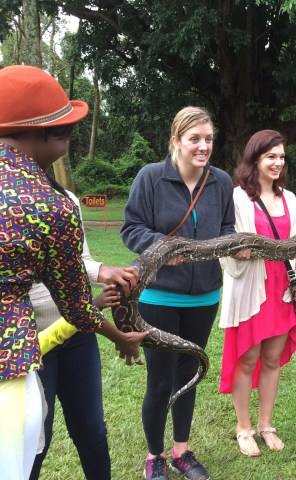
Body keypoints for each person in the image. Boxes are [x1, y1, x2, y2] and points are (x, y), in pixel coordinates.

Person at [0, 65, 142, 480]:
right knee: (22, 453)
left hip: (56, 343)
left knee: (82, 434)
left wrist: (99, 272)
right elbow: (78, 307)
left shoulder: (63, 200)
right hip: (17, 353)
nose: (69, 136)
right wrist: (121, 336)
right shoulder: (47, 205)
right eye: (65, 128)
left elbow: (72, 266)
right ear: (46, 133)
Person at [121, 106, 236, 480]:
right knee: (160, 378)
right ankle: (155, 456)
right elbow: (131, 228)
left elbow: (227, 227)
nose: (203, 147)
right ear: (176, 140)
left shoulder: (220, 181)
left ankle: (182, 451)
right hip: (160, 297)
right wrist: (161, 248)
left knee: (190, 372)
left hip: (205, 296)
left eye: (208, 139)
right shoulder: (151, 177)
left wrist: (235, 246)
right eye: (195, 139)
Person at [29, 188, 145, 480]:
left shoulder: (66, 199)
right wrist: (113, 331)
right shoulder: (10, 202)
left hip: (78, 333)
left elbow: (79, 259)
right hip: (29, 343)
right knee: (35, 438)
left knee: (91, 429)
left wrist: (103, 270)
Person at [219, 129, 296, 457]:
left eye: (281, 157)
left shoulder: (290, 198)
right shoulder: (238, 197)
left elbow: (295, 243)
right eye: (271, 157)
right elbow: (228, 244)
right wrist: (243, 252)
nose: (278, 162)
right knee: (247, 358)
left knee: (270, 359)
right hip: (251, 288)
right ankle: (243, 428)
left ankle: (266, 425)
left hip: (281, 289)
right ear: (255, 159)